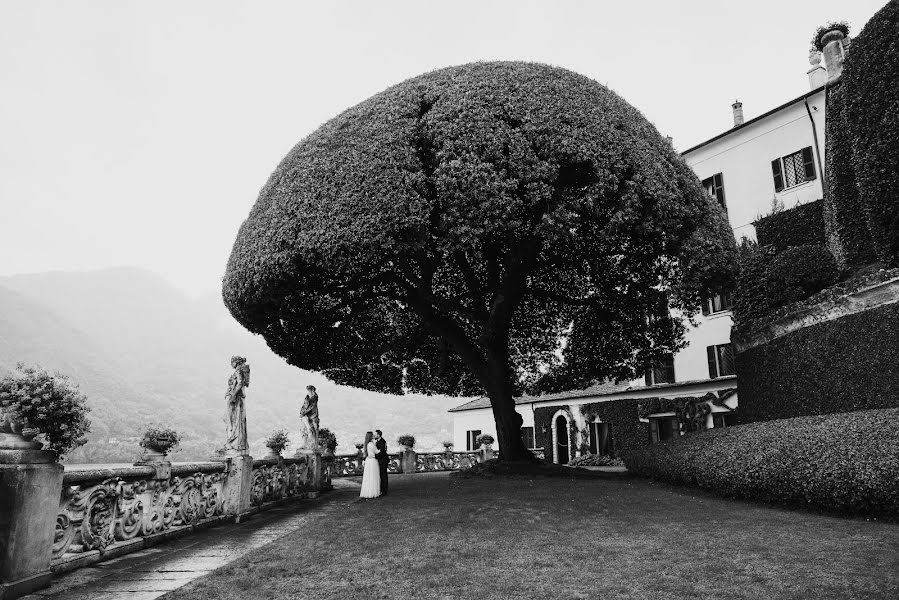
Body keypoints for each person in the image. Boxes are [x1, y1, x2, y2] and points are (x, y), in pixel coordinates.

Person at [359, 431, 381, 498]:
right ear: (370, 436)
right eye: (373, 435)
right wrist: (382, 448)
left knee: (368, 477)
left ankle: (368, 492)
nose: (374, 436)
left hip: (368, 460)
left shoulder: (367, 444)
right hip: (372, 461)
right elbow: (377, 451)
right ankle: (373, 492)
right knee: (373, 476)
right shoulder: (371, 444)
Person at [299, 385, 320, 450]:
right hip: (305, 416)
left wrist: (303, 413)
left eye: (310, 390)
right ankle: (304, 444)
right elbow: (305, 406)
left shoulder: (314, 397)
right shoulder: (307, 397)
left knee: (311, 431)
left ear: (312, 390)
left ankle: (311, 446)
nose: (308, 391)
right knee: (303, 430)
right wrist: (302, 413)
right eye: (308, 390)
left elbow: (311, 407)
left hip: (312, 416)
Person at [374, 429, 389, 496]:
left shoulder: (382, 441)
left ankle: (384, 491)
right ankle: (382, 489)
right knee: (382, 475)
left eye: (375, 434)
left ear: (378, 435)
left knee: (383, 475)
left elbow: (382, 452)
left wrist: (374, 456)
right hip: (382, 460)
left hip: (383, 460)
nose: (374, 436)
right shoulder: (379, 441)